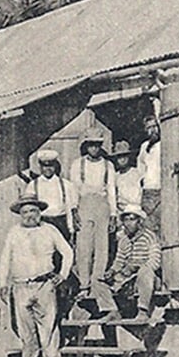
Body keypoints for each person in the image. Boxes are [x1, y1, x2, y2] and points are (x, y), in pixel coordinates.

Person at [0, 193, 74, 357]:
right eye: (25, 212)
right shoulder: (14, 233)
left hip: (44, 285)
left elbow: (67, 252)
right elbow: (5, 259)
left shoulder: (50, 230)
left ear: (40, 212)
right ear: (20, 214)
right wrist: (3, 284)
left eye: (33, 210)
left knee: (48, 327)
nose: (29, 215)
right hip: (21, 286)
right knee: (25, 329)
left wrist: (63, 274)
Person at [92, 205, 161, 321]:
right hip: (127, 279)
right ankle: (112, 310)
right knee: (97, 281)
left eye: (132, 219)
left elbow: (155, 261)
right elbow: (119, 261)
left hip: (146, 279)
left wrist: (136, 268)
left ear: (139, 221)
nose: (128, 223)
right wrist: (112, 271)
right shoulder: (123, 240)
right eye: (125, 220)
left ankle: (143, 312)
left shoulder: (150, 237)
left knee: (146, 272)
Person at [69, 126, 116, 294]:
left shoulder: (108, 165)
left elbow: (111, 190)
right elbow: (73, 190)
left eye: (97, 144)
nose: (94, 148)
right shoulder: (77, 164)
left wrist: (113, 215)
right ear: (86, 145)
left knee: (102, 246)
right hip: (84, 205)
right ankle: (84, 284)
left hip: (102, 206)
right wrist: (74, 212)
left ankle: (97, 283)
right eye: (91, 145)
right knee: (84, 246)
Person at [28, 149, 78, 244]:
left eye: (51, 166)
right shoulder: (33, 185)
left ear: (55, 166)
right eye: (45, 166)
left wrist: (71, 229)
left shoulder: (65, 184)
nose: (48, 169)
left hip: (60, 222)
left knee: (62, 254)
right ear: (40, 167)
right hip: (43, 222)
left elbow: (69, 207)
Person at [137, 115, 161, 234]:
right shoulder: (144, 147)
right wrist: (143, 179)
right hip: (148, 191)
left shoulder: (163, 145)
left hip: (161, 189)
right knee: (148, 227)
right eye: (149, 128)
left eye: (154, 126)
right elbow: (140, 166)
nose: (153, 130)